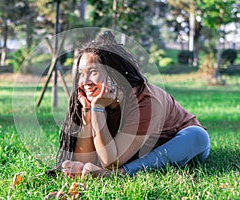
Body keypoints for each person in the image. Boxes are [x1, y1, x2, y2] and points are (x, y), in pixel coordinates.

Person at [49, 30, 210, 178]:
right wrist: (88, 111)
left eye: (93, 72)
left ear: (115, 74)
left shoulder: (145, 100)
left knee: (197, 135)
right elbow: (84, 159)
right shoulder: (92, 99)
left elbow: (111, 162)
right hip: (134, 151)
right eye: (81, 74)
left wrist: (97, 109)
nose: (85, 82)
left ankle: (121, 174)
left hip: (178, 145)